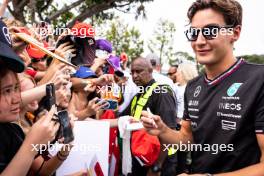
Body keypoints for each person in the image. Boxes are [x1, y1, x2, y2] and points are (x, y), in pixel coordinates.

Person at [141, 0, 264, 175]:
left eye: (210, 31)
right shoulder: (193, 87)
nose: (199, 41)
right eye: (193, 33)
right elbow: (187, 139)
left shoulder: (259, 80)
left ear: (235, 33)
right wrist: (163, 130)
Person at [120, 57, 177, 176]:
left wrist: (157, 167)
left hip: (161, 163)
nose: (134, 76)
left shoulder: (162, 93)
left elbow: (170, 134)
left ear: (151, 70)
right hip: (142, 159)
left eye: (139, 71)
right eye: (132, 73)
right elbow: (120, 118)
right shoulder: (138, 96)